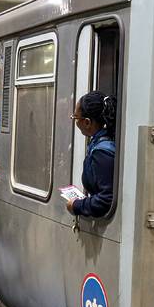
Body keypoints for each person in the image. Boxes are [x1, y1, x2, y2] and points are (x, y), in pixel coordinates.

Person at [65, 91, 116, 219]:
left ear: (87, 122)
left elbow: (106, 200)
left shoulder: (102, 153)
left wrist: (77, 205)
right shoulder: (103, 141)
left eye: (75, 118)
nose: (75, 122)